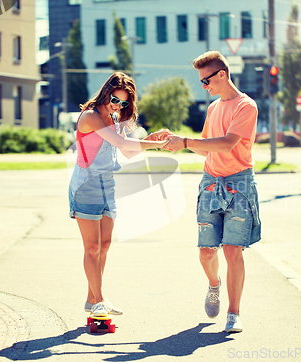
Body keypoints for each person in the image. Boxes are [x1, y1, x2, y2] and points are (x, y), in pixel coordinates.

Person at [163, 51, 261, 333]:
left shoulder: (246, 106)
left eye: (206, 80)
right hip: (210, 182)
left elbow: (229, 143)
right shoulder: (213, 108)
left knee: (232, 250)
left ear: (222, 75)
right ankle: (214, 285)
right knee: (207, 251)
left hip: (239, 184)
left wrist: (184, 141)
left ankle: (234, 313)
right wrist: (176, 139)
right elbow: (207, 147)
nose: (203, 86)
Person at [69, 72, 169, 317]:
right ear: (106, 92)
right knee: (92, 247)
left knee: (104, 245)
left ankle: (92, 299)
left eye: (124, 103)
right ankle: (100, 300)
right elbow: (123, 145)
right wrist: (155, 144)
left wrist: (150, 139)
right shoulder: (91, 117)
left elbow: (128, 152)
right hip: (87, 185)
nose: (118, 106)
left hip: (107, 184)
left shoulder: (112, 118)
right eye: (115, 99)